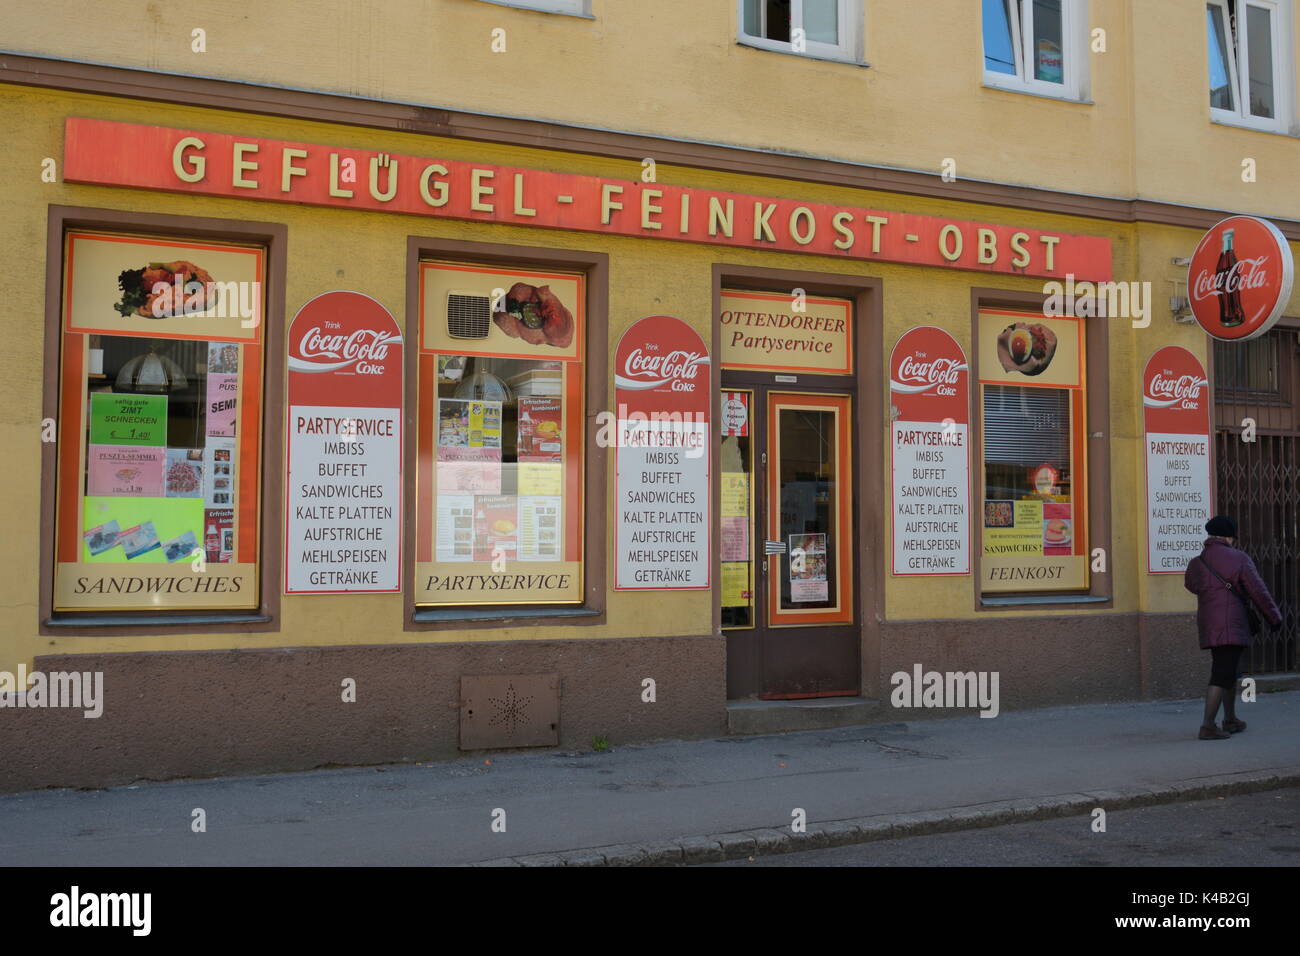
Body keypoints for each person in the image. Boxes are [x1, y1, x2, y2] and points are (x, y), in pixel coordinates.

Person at [1184, 516, 1282, 740]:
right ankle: (1208, 726)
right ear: (1229, 537)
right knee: (1221, 673)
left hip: (1209, 623)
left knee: (1229, 670)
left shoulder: (1197, 562)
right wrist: (1274, 618)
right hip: (1232, 624)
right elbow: (1258, 591)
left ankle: (1230, 719)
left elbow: (1191, 585)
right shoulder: (1239, 559)